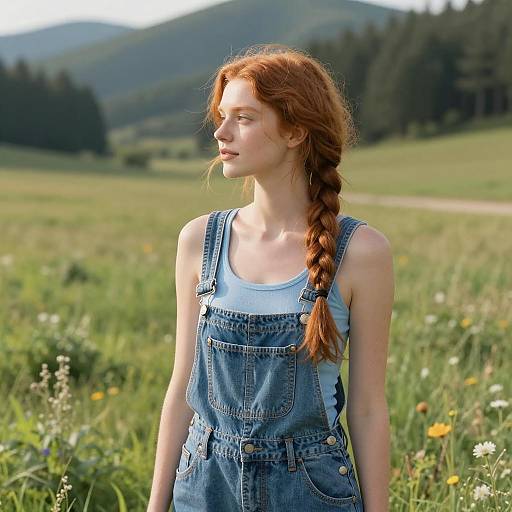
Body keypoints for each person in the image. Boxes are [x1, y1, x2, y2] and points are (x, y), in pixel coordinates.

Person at [147, 44, 394, 512]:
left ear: (296, 129)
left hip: (310, 491)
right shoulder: (200, 240)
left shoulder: (362, 253)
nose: (221, 132)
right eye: (222, 116)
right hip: (202, 485)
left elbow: (367, 409)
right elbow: (182, 386)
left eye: (244, 117)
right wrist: (156, 505)